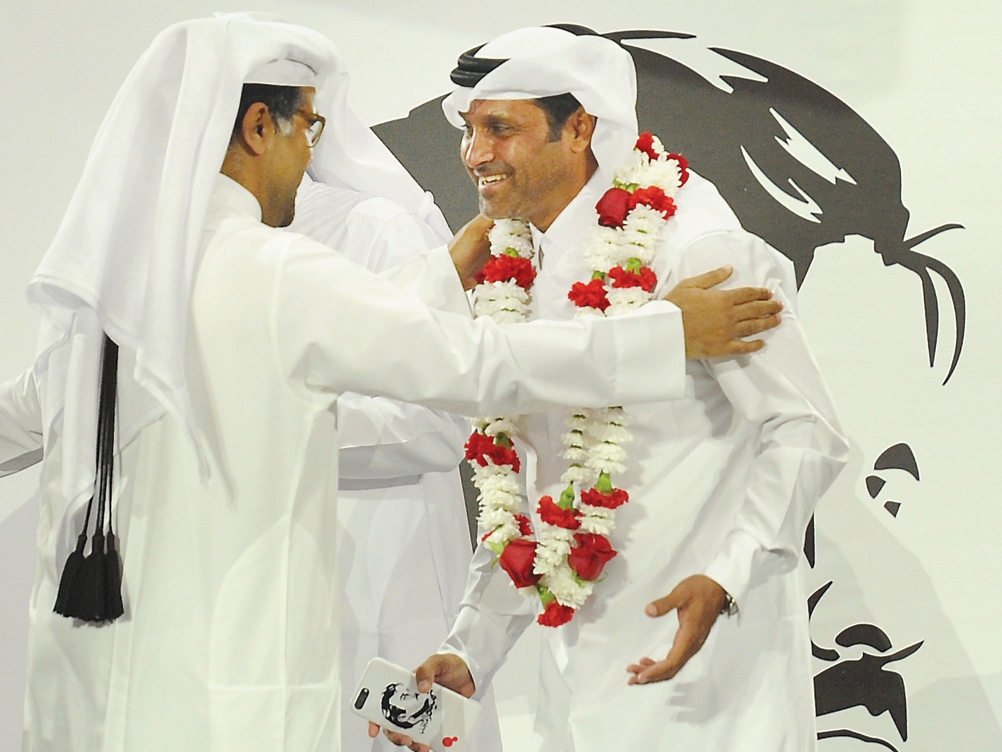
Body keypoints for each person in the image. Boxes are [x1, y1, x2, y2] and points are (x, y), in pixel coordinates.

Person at [0, 14, 782, 752]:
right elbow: (474, 363)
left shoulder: (99, 298)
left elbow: (28, 414)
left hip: (79, 704)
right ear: (259, 127)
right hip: (224, 702)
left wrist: (441, 274)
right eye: (308, 128)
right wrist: (664, 334)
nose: (311, 155)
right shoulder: (272, 270)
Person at [388, 26, 850, 752]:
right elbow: (529, 480)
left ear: (580, 127)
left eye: (500, 128)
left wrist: (727, 575)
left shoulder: (697, 247)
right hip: (572, 680)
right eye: (468, 130)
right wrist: (473, 647)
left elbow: (806, 430)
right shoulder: (511, 263)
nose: (474, 154)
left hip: (704, 666)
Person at [290, 176, 505, 752]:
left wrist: (284, 439)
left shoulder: (378, 226)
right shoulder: (189, 248)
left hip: (389, 571)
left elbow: (437, 425)